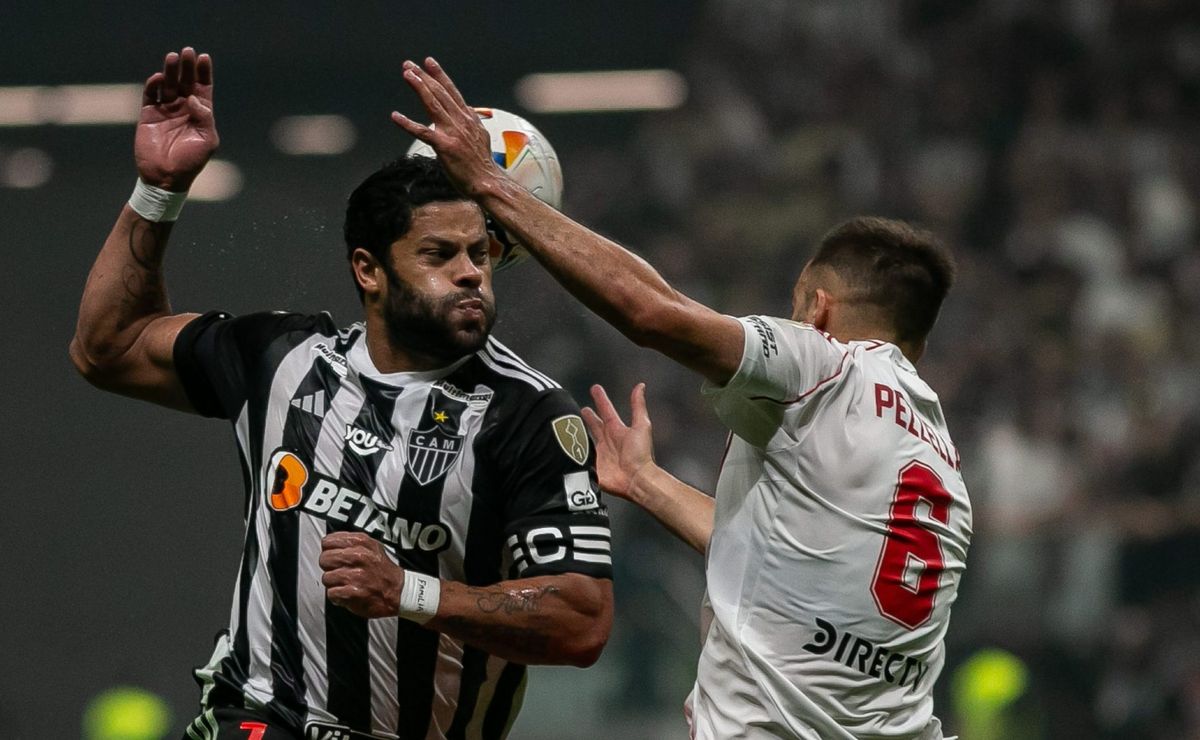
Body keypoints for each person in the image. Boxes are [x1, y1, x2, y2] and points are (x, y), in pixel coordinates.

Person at [393, 58, 972, 740]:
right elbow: (774, 554)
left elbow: (653, 312)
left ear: (817, 310)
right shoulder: (940, 460)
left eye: (791, 308)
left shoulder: (826, 364)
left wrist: (490, 184)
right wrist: (645, 481)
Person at [69, 48, 614, 740]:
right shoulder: (282, 359)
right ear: (369, 270)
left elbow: (582, 618)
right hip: (261, 719)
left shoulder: (529, 415)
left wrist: (408, 591)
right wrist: (158, 192)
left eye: (480, 254)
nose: (472, 274)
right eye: (440, 255)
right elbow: (107, 347)